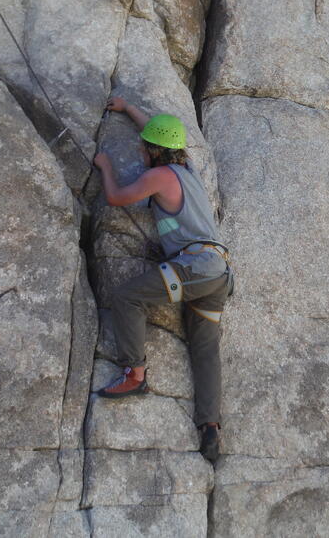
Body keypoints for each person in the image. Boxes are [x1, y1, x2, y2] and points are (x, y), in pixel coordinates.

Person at [93, 96, 232, 463]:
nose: (140, 150)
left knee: (127, 298)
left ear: (155, 151)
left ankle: (135, 374)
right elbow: (157, 130)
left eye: (144, 146)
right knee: (204, 349)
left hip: (194, 268)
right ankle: (210, 427)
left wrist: (105, 165)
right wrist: (127, 110)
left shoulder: (157, 175)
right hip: (218, 272)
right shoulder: (186, 168)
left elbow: (116, 197)